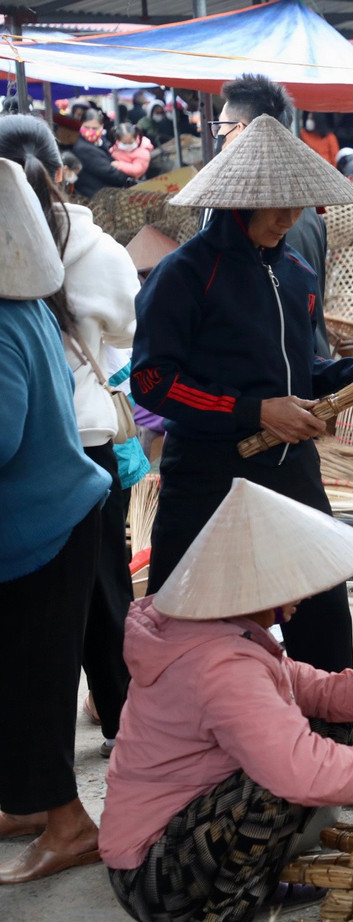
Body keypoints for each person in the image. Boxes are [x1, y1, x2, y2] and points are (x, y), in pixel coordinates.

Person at [102, 479, 353, 922]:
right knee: (277, 784)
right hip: (157, 877)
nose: (303, 595)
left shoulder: (212, 631)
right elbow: (299, 772)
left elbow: (297, 683)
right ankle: (225, 910)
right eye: (291, 582)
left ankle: (258, 879)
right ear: (255, 588)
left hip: (176, 842)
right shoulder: (218, 664)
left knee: (330, 722)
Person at [131, 115, 353, 683]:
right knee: (185, 628)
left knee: (322, 624)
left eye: (296, 204)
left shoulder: (296, 273)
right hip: (208, 482)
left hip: (293, 477)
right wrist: (252, 411)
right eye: (274, 205)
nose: (288, 219)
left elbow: (302, 370)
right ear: (236, 201)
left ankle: (330, 752)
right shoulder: (183, 275)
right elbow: (151, 382)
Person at [0, 115, 142, 759]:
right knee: (105, 591)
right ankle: (124, 723)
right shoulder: (102, 250)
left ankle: (39, 766)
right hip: (88, 437)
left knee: (39, 618)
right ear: (62, 171)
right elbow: (122, 339)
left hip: (28, 451)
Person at [0, 158, 112, 883]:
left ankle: (69, 824)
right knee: (21, 681)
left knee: (31, 686)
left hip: (43, 529)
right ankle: (27, 802)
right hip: (48, 523)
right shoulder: (28, 301)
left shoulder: (5, 318)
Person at [208, 74, 332, 356]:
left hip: (288, 372)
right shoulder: (302, 204)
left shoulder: (269, 215)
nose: (218, 139)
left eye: (221, 129)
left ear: (241, 131)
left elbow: (278, 314)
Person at [70, 113, 135, 198]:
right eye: (86, 127)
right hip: (95, 196)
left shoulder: (101, 142)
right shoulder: (83, 148)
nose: (90, 131)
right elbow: (108, 172)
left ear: (101, 127)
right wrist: (128, 177)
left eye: (94, 128)